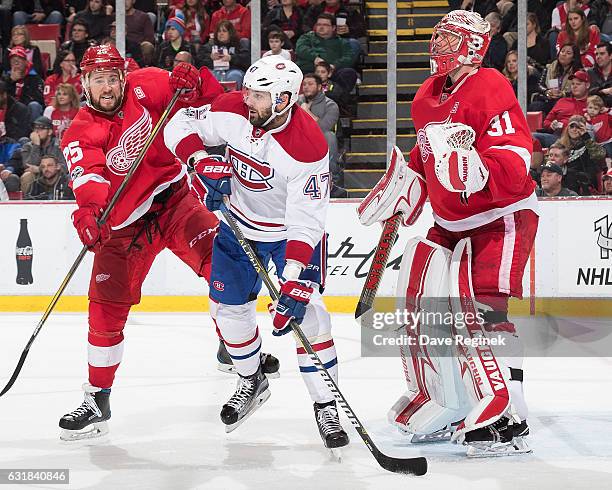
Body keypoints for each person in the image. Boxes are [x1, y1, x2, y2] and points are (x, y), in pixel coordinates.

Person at [358, 10, 538, 457]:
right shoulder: (426, 96)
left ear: (473, 47)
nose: (436, 46)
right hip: (450, 222)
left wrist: (478, 170)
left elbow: (517, 157)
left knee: (485, 311)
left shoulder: (491, 85)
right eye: (437, 37)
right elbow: (425, 156)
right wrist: (405, 187)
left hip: (501, 216)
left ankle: (510, 414)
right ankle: (445, 401)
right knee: (423, 306)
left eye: (448, 39)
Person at [164, 55, 350, 452]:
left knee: (312, 313)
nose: (249, 100)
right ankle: (251, 379)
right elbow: (179, 124)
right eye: (249, 91)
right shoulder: (232, 108)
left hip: (287, 236)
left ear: (284, 99)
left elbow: (307, 220)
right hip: (237, 226)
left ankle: (325, 403)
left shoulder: (308, 145)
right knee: (227, 310)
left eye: (260, 96)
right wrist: (200, 161)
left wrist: (295, 278)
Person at [56, 44, 224, 442]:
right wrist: (90, 214)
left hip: (174, 200)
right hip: (123, 228)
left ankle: (233, 345)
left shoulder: (147, 84)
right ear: (85, 84)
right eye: (99, 80)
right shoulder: (80, 130)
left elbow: (208, 99)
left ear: (123, 77)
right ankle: (98, 399)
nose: (108, 87)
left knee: (225, 270)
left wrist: (194, 79)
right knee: (104, 315)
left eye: (113, 78)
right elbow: (90, 179)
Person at [296, 13, 358, 92]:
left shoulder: (341, 42)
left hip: (331, 73)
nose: (321, 27)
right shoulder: (307, 37)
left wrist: (335, 65)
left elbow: (349, 57)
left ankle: (338, 100)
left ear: (333, 27)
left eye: (325, 25)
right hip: (309, 71)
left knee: (349, 73)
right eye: (319, 24)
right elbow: (301, 49)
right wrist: (315, 58)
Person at [534, 70, 590, 148]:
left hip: (580, 140)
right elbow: (546, 122)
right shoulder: (562, 101)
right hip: (558, 138)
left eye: (578, 84)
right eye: (573, 84)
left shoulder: (591, 103)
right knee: (531, 137)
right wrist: (551, 125)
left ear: (587, 85)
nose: (574, 86)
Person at [557, 114, 606, 194]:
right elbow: (551, 160)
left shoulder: (589, 143)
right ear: (567, 128)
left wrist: (586, 136)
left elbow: (599, 155)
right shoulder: (560, 144)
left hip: (584, 181)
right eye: (572, 126)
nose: (574, 129)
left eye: (578, 127)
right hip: (563, 179)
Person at [195, 20, 250, 89]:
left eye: (224, 31)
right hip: (214, 70)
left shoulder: (239, 44)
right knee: (207, 75)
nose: (221, 34)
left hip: (232, 71)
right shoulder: (209, 46)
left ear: (230, 33)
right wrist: (210, 57)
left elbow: (246, 61)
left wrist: (231, 58)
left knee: (235, 75)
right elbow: (198, 61)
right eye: (219, 31)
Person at [20, 115, 66, 194]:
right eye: (35, 128)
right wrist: (36, 145)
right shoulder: (28, 146)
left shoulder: (59, 145)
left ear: (50, 132)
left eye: (41, 128)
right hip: (37, 178)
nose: (37, 132)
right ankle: (28, 202)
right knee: (27, 176)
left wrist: (39, 169)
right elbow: (28, 166)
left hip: (56, 176)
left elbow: (65, 168)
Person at [3, 46, 45, 120]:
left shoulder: (34, 77)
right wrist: (11, 81)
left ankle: (34, 130)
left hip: (27, 109)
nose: (16, 62)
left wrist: (19, 106)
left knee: (34, 105)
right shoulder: (5, 78)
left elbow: (38, 98)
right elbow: (2, 97)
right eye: (13, 60)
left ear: (26, 62)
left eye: (19, 59)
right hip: (10, 109)